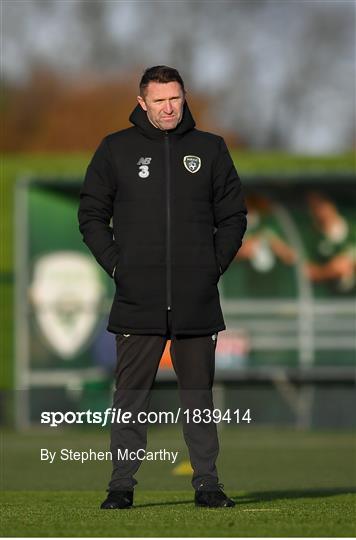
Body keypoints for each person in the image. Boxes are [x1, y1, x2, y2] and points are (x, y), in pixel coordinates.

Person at [78, 66, 248, 509]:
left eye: (175, 98)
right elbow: (91, 215)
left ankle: (208, 486)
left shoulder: (210, 149)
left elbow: (233, 216)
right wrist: (119, 268)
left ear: (184, 96)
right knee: (129, 399)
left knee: (199, 401)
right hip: (138, 298)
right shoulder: (116, 149)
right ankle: (121, 487)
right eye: (159, 100)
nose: (169, 107)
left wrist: (211, 266)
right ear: (142, 103)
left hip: (196, 298)